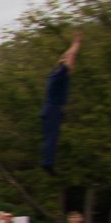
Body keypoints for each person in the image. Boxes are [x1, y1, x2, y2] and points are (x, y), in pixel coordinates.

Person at [41, 32, 82, 174]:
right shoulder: (60, 72)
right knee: (51, 137)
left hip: (54, 109)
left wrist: (74, 45)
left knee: (52, 137)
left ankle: (49, 162)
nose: (73, 63)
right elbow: (68, 58)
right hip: (53, 109)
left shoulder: (59, 73)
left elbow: (68, 57)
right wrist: (76, 45)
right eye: (72, 61)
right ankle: (48, 163)